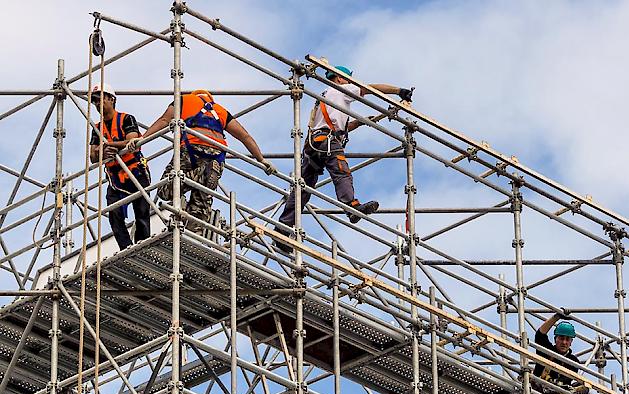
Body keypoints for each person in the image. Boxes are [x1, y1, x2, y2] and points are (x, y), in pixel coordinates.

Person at [272, 65, 414, 254]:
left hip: (314, 145)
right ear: (339, 78)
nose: (349, 83)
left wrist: (359, 122)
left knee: (301, 190)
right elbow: (369, 89)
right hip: (328, 142)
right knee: (341, 172)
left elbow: (337, 126)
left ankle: (282, 230)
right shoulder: (341, 89)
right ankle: (351, 207)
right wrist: (398, 91)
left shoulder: (325, 96)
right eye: (347, 79)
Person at [131, 90, 275, 234]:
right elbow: (245, 136)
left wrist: (142, 139)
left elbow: (164, 120)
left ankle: (203, 173)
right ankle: (194, 234)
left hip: (190, 149)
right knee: (200, 208)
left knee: (165, 190)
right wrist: (261, 160)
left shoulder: (183, 100)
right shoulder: (221, 111)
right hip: (217, 156)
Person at [89, 83, 151, 250]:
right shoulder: (97, 128)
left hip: (135, 171)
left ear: (111, 99)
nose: (97, 104)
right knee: (114, 214)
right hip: (115, 177)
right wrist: (102, 151)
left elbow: (134, 142)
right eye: (94, 101)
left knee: (142, 212)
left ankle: (142, 247)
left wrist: (111, 144)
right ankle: (126, 248)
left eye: (100, 99)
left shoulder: (126, 119)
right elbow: (92, 157)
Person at [533, 311, 586, 394]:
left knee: (581, 387)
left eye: (567, 339)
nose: (564, 342)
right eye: (561, 338)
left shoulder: (573, 362)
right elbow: (540, 335)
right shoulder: (547, 350)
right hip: (538, 391)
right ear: (555, 339)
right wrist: (556, 317)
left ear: (571, 342)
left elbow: (566, 381)